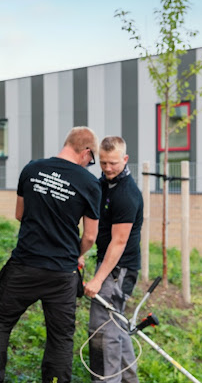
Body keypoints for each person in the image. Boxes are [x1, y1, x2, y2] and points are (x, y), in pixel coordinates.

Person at [0, 126, 102, 383]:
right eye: (92, 160)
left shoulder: (32, 169)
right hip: (62, 274)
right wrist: (75, 253)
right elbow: (90, 236)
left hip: (24, 266)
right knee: (60, 338)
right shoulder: (89, 183)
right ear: (86, 151)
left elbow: (19, 214)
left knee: (0, 322)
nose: (90, 165)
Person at [84, 136, 143, 383]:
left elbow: (118, 242)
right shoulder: (104, 184)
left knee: (103, 330)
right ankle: (129, 380)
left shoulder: (127, 194)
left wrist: (98, 279)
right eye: (104, 162)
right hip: (109, 263)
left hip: (120, 268)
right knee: (116, 326)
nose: (108, 168)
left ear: (125, 159)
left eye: (114, 163)